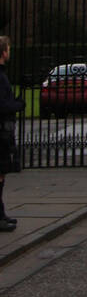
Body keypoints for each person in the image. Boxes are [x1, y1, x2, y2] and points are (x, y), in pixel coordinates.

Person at [0, 35, 24, 231]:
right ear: (3, 52)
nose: (10, 52)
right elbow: (3, 105)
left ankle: (1, 214)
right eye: (8, 49)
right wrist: (18, 104)